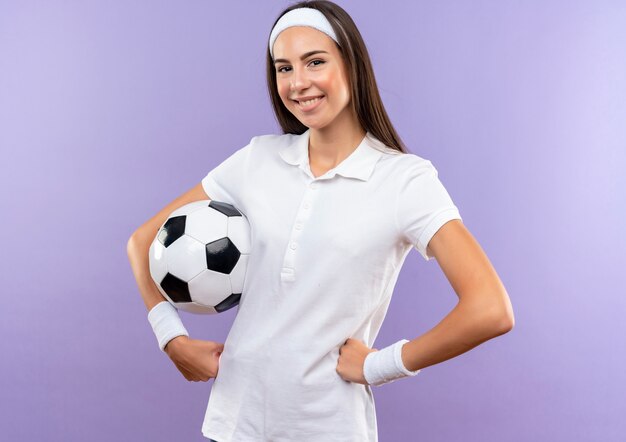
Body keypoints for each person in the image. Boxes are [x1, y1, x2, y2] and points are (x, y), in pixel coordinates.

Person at [126, 1, 515, 441]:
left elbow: (489, 309)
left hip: (329, 428)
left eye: (315, 62)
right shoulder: (258, 160)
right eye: (284, 68)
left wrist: (380, 365)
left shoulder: (405, 180)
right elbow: (144, 241)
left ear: (351, 63)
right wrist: (172, 339)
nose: (298, 83)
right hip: (233, 424)